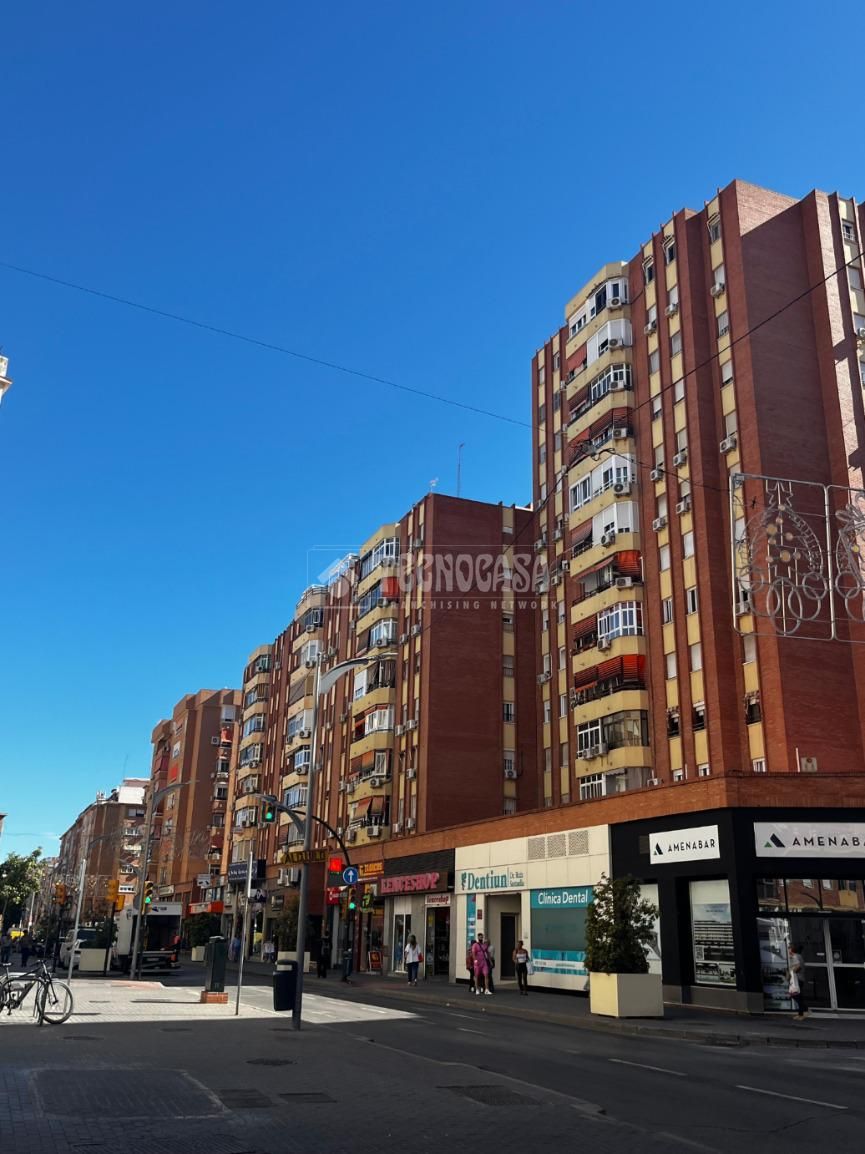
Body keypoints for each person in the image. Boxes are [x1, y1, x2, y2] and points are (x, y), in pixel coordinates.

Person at [788, 942, 807, 1019]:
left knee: (795, 995)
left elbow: (798, 967)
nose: (788, 950)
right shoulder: (799, 956)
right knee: (798, 996)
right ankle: (801, 1014)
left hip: (797, 979)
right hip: (800, 978)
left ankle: (805, 1010)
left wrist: (792, 972)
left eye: (789, 948)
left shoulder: (795, 956)